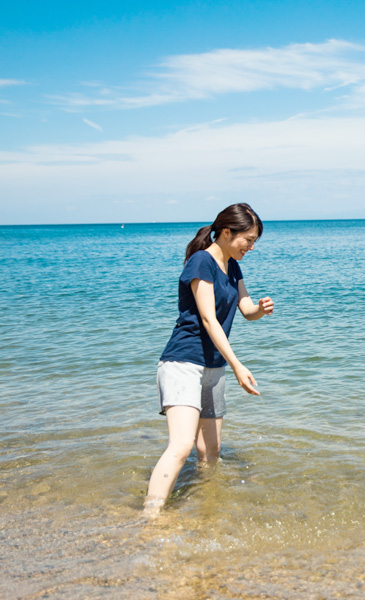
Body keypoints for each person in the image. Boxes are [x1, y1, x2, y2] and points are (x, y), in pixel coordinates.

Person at [144, 203, 274, 515]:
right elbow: (207, 319)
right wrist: (237, 365)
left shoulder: (233, 266)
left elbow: (245, 310)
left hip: (212, 366)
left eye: (255, 241)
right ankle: (151, 515)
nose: (252, 247)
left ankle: (205, 507)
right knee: (182, 445)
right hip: (183, 363)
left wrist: (260, 308)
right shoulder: (202, 261)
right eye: (249, 239)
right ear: (227, 232)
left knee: (210, 451)